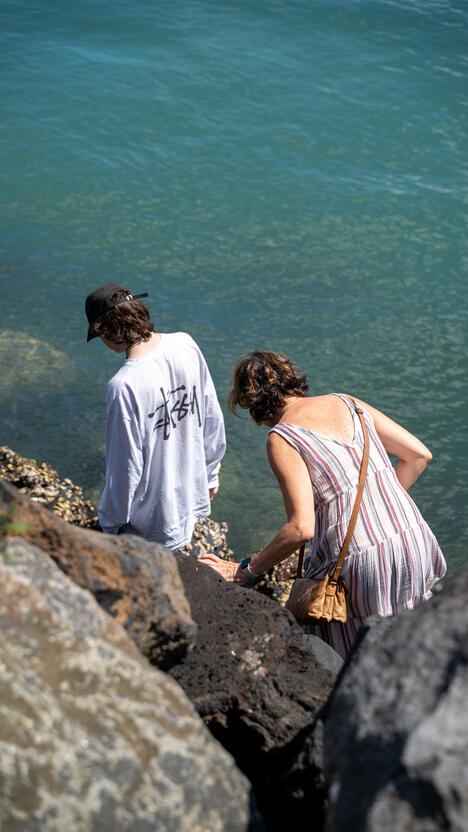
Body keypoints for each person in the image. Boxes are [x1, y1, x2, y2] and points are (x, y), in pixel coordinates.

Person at [199, 349, 446, 658]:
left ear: (255, 406)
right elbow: (419, 456)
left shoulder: (283, 437)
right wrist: (378, 505)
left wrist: (245, 570)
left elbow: (301, 528)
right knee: (413, 648)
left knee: (343, 656)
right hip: (414, 537)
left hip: (363, 561)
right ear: (291, 379)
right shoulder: (349, 403)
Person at [85, 282, 226, 550]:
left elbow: (125, 468)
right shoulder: (185, 343)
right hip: (188, 502)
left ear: (106, 330)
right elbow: (211, 416)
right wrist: (210, 474)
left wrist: (109, 525)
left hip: (147, 525)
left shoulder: (124, 385)